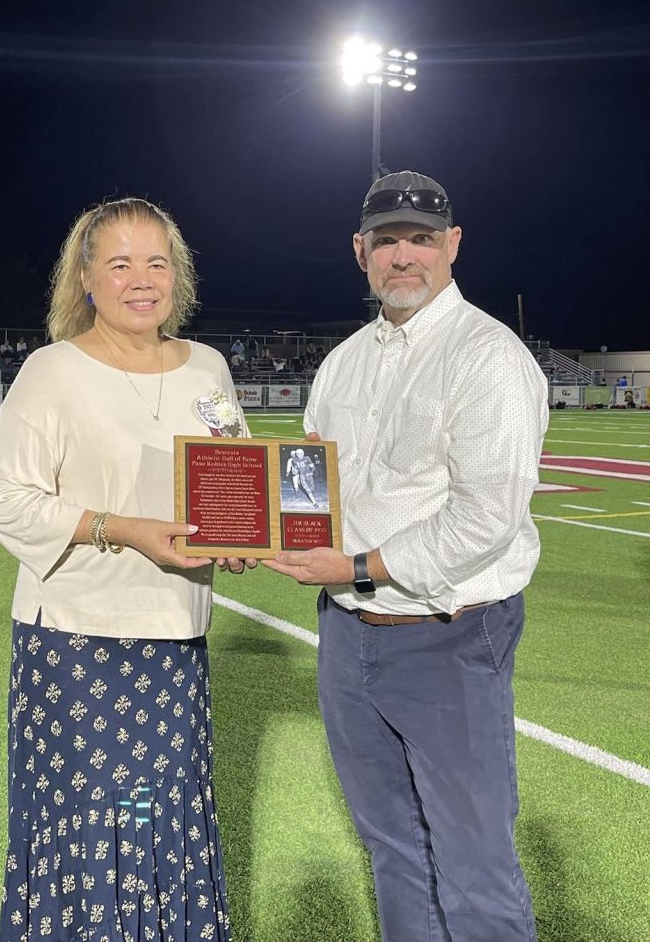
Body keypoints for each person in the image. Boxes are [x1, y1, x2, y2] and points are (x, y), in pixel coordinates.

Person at [265, 170, 548, 942]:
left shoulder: (487, 354)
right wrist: (252, 529)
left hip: (449, 633)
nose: (403, 257)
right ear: (360, 252)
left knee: (473, 861)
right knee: (391, 850)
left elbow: (486, 516)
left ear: (452, 245)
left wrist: (356, 568)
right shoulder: (343, 363)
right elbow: (311, 490)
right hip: (349, 634)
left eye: (420, 239)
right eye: (386, 241)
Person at [0, 197, 251, 942]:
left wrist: (244, 535)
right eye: (121, 263)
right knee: (96, 823)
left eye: (157, 262)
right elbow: (5, 501)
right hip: (76, 645)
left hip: (175, 641)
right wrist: (120, 529)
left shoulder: (209, 367)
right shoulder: (53, 370)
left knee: (155, 817)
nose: (142, 280)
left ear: (178, 276)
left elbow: (232, 481)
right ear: (86, 278)